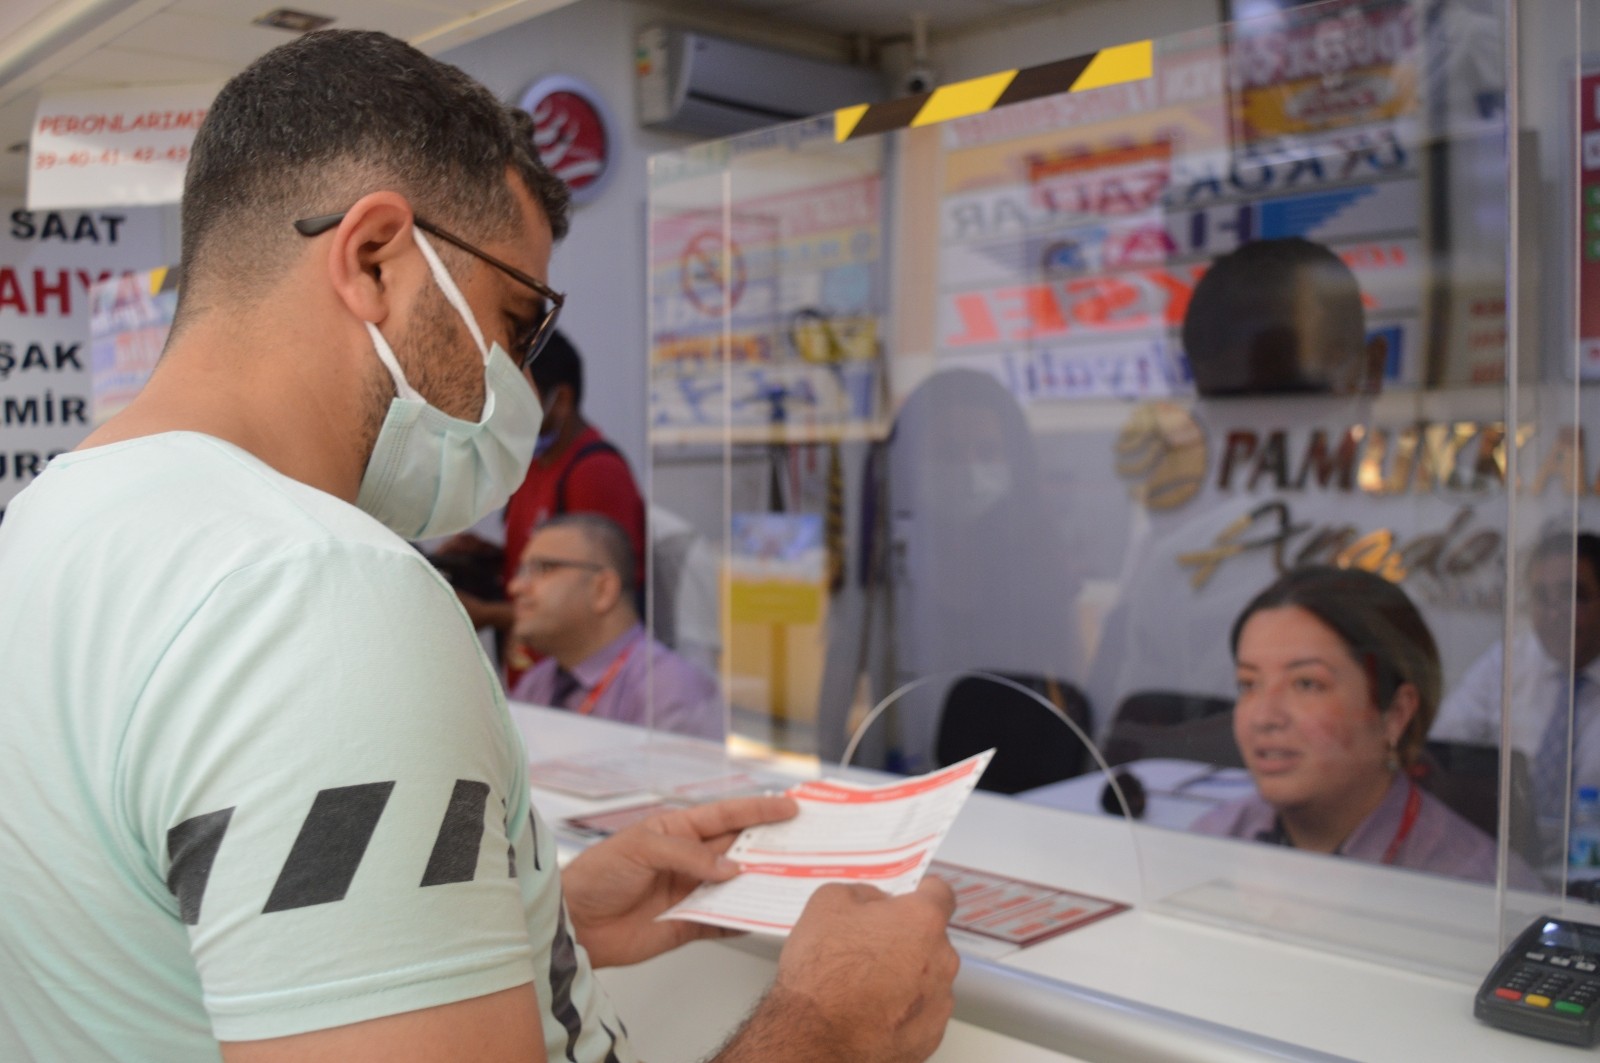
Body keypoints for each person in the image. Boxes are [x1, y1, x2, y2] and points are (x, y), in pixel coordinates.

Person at [0, 30, 958, 1063]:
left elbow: (169, 933)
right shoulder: (316, 592)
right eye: (517, 320)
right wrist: (830, 1020)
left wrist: (537, 915)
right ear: (375, 257)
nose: (519, 380)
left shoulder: (52, 522)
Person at [1193, 566, 1537, 886]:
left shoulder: (1474, 886)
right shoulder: (1211, 842)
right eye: (1249, 684)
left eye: (1307, 684)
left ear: (1396, 713)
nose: (1264, 718)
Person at [448, 330, 647, 667]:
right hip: (534, 674)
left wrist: (489, 614)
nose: (507, 414)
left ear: (562, 400)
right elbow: (550, 564)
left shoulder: (595, 473)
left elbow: (594, 602)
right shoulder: (533, 466)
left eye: (519, 402)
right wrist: (488, 559)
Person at [1433, 532, 1600, 845]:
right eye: (1542, 598)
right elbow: (1443, 747)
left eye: (1573, 596)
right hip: (1508, 854)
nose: (1555, 613)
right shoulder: (1510, 660)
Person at [509, 513, 723, 740]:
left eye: (542, 568)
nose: (515, 587)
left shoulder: (668, 691)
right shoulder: (537, 683)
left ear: (603, 589)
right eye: (521, 571)